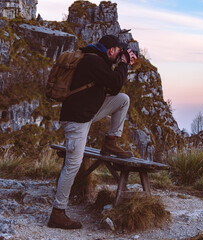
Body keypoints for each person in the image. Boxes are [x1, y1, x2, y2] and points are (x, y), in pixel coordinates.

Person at [47, 35, 137, 229]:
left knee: (123, 99)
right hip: (76, 119)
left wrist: (121, 65)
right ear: (112, 50)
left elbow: (114, 91)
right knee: (73, 165)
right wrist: (124, 64)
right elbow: (115, 82)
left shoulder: (97, 60)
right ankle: (57, 212)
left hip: (88, 112)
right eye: (119, 52)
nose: (120, 55)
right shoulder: (93, 61)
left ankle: (110, 141)